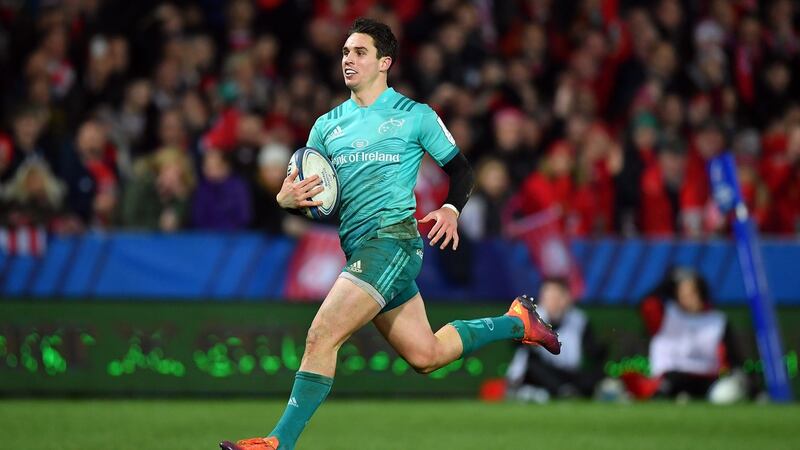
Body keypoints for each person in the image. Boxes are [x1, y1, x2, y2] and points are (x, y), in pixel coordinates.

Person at [220, 18, 561, 450]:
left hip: (393, 241)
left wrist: (453, 208)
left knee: (322, 335)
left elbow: (461, 170)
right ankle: (517, 323)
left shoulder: (414, 116)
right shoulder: (326, 127)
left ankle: (277, 444)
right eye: (345, 52)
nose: (348, 59)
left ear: (385, 62)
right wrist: (287, 201)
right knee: (426, 355)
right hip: (360, 250)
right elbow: (315, 198)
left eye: (359, 52)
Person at [505, 277, 606, 403]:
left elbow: (593, 352)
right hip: (535, 375)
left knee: (595, 373)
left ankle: (573, 391)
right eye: (547, 297)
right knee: (532, 361)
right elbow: (515, 344)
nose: (550, 302)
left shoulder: (579, 320)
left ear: (566, 299)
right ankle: (561, 391)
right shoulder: (530, 318)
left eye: (555, 297)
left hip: (567, 372)